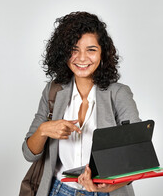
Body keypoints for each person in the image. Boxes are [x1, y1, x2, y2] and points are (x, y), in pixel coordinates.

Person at [22, 12, 141, 196]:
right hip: (59, 190)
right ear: (63, 52)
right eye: (74, 49)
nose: (82, 58)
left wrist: (110, 185)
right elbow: (29, 154)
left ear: (103, 53)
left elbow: (136, 155)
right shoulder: (53, 91)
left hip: (105, 193)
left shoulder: (119, 94)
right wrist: (44, 129)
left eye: (91, 50)